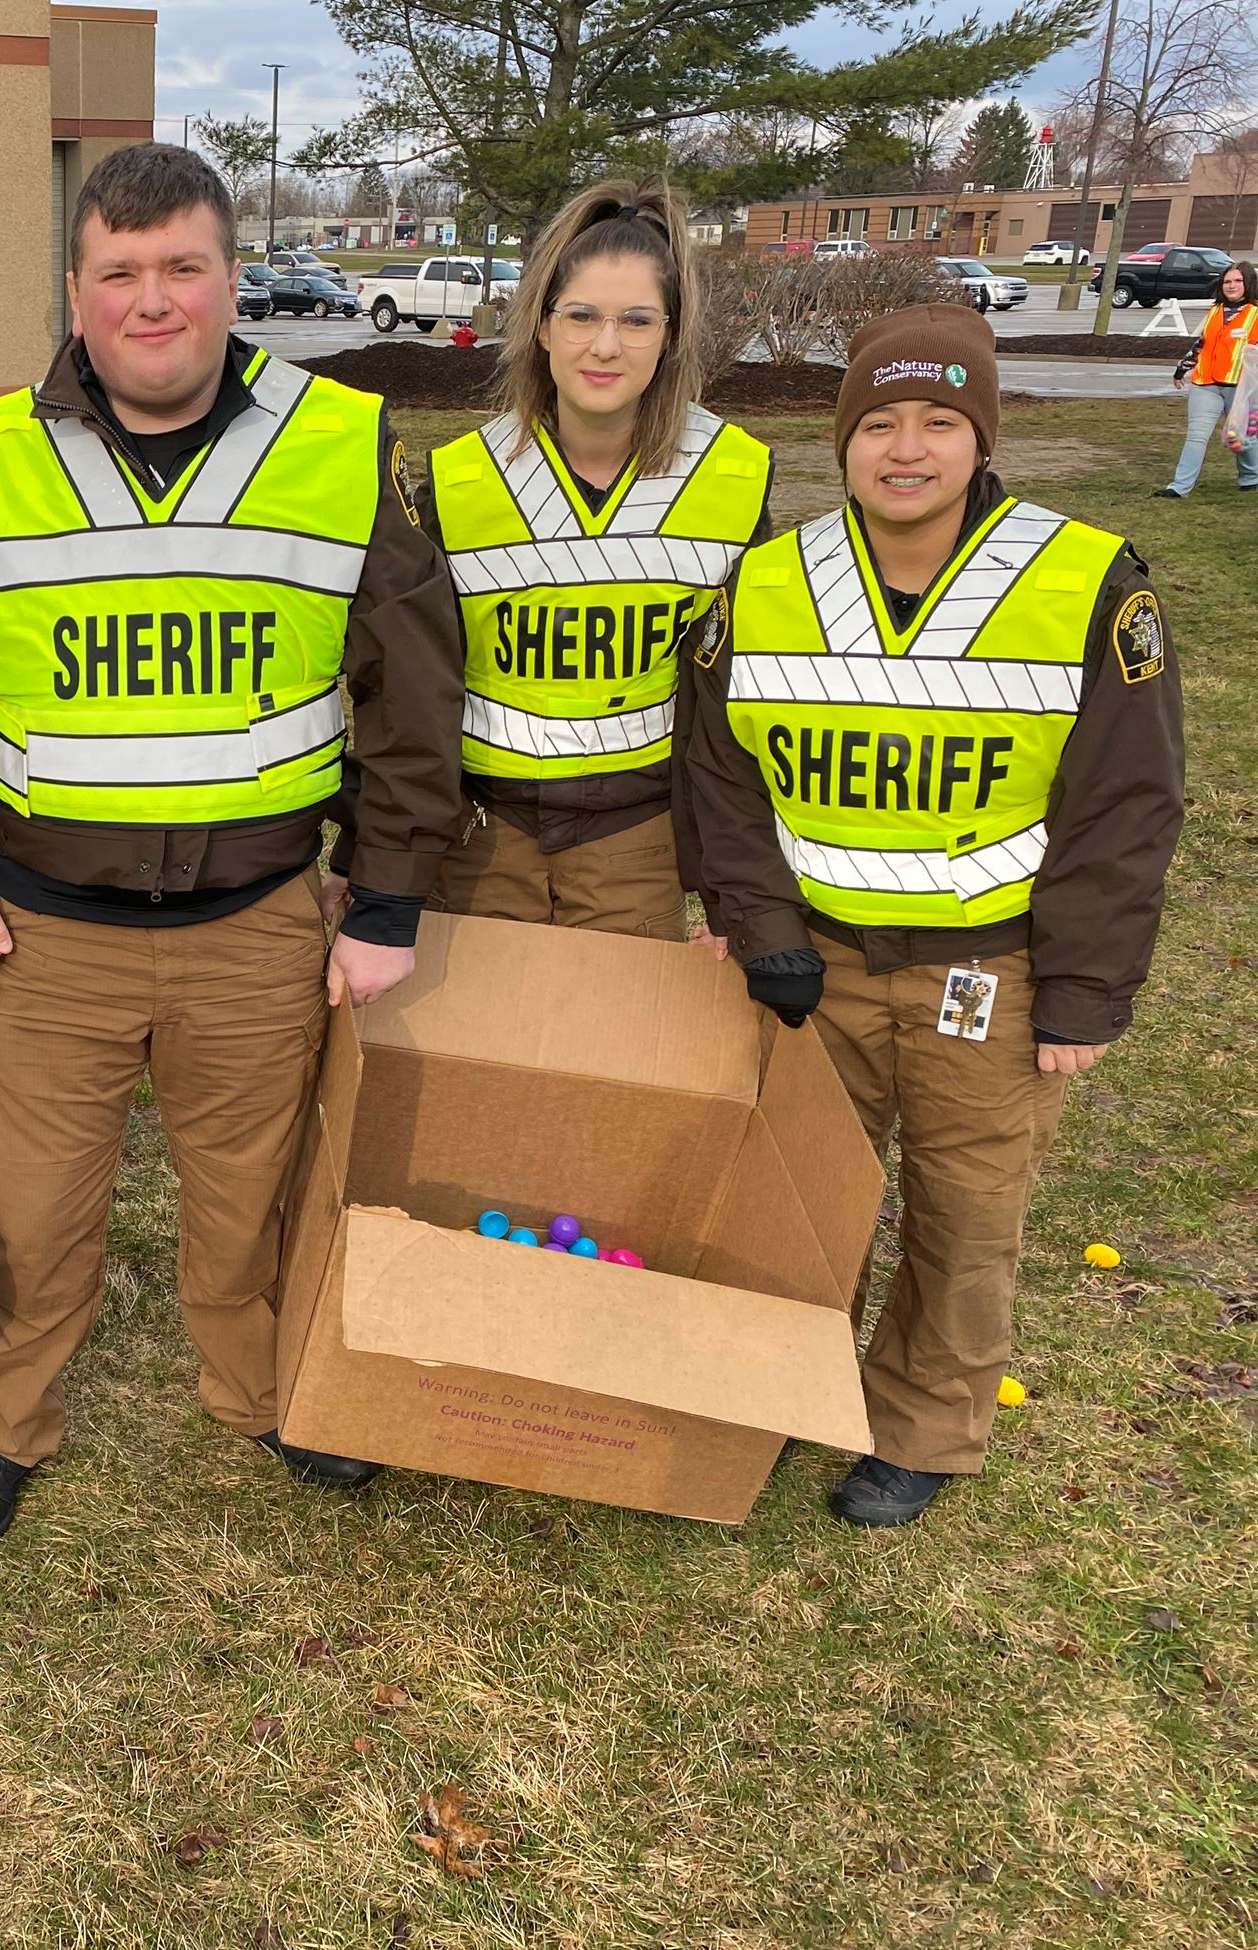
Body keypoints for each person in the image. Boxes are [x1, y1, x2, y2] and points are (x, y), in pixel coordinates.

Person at [0, 142, 465, 1545]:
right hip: (50, 929)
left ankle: (254, 1390)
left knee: (246, 1199)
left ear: (231, 278)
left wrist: (385, 903)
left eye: (183, 268)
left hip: (257, 920)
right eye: (121, 273)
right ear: (77, 292)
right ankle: (9, 1418)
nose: (155, 301)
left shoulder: (336, 441)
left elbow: (413, 691)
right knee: (38, 1211)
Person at [686, 307, 1185, 1527]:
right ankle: (775, 1395)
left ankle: (921, 1425)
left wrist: (1080, 993)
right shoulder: (766, 582)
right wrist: (760, 932)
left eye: (938, 423)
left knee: (963, 1217)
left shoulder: (1081, 580)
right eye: (879, 423)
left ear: (979, 437)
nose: (904, 450)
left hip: (988, 969)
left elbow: (1124, 805)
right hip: (817, 966)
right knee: (800, 1201)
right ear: (842, 438)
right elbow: (717, 780)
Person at [417, 181, 772, 942]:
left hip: (635, 835)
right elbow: (408, 689)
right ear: (541, 326)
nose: (605, 346)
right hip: (483, 834)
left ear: (671, 334)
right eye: (580, 316)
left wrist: (731, 891)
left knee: (620, 1056)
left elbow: (751, 700)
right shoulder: (457, 482)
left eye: (636, 321)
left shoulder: (735, 478)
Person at [1153, 259, 1258, 499]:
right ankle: (1179, 487)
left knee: (1241, 438)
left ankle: (1251, 476)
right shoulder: (1215, 311)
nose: (1231, 286)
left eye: (1237, 281)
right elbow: (1201, 344)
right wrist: (1182, 368)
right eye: (1227, 282)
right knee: (1196, 436)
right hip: (1206, 384)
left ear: (1248, 283)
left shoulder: (1255, 314)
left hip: (1242, 388)